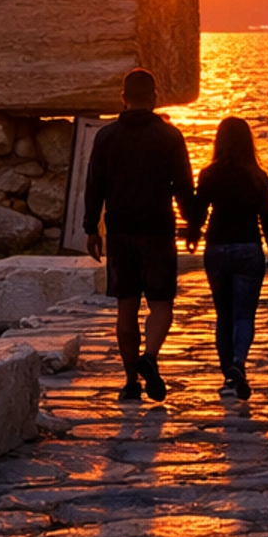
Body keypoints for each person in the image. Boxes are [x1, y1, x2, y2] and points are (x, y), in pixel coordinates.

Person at [83, 67, 196, 404]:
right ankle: (150, 356)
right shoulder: (170, 137)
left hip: (120, 232)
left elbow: (94, 186)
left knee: (126, 308)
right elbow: (183, 186)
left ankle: (131, 381)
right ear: (154, 97)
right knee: (161, 304)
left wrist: (91, 228)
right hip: (158, 229)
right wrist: (193, 222)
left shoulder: (105, 137)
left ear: (123, 98)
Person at [186, 115, 268, 400]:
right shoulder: (258, 177)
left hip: (218, 248)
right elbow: (267, 220)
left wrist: (192, 234)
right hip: (249, 248)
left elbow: (200, 212)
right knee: (244, 315)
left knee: (223, 315)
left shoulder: (209, 174)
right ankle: (238, 363)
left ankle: (228, 376)